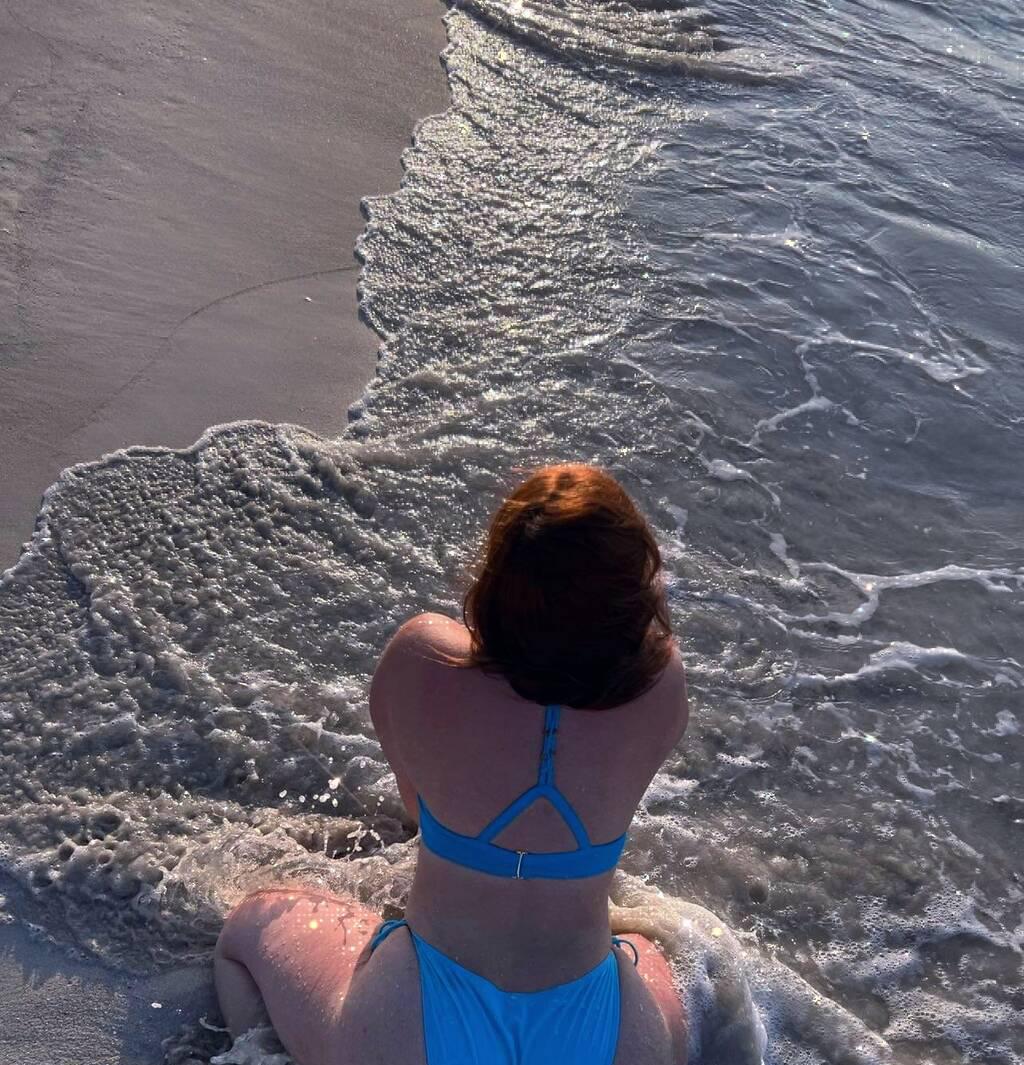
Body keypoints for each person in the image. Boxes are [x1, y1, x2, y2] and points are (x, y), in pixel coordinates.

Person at [215, 464, 690, 1065]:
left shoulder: (423, 657)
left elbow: (419, 807)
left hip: (414, 1025)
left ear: (496, 578)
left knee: (244, 929)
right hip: (603, 1033)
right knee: (649, 952)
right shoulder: (662, 687)